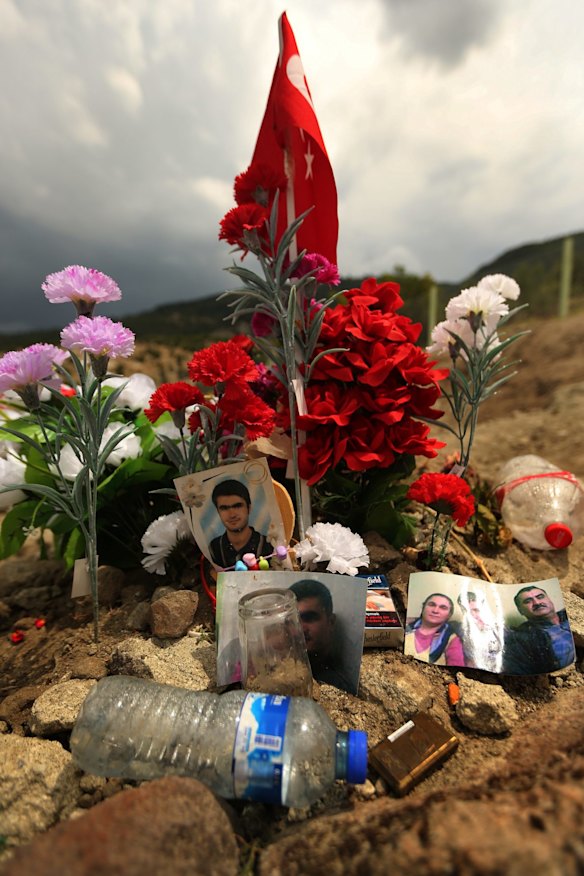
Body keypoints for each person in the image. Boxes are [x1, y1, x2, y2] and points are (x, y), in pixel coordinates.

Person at [288, 579, 353, 693]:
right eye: (293, 621)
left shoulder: (339, 689)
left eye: (309, 618)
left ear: (331, 622)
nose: (300, 629)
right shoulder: (278, 671)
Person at [503, 585, 575, 675]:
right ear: (520, 611)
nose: (537, 602)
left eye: (540, 597)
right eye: (528, 601)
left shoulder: (572, 614)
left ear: (550, 600)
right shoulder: (521, 639)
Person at [209, 479, 273, 568]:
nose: (232, 515)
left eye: (237, 506)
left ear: (249, 508)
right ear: (218, 511)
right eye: (224, 508)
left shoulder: (268, 546)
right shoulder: (213, 549)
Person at [404, 592, 465, 666]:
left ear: (449, 614)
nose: (435, 611)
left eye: (443, 608)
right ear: (423, 607)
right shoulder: (405, 627)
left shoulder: (452, 639)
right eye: (431, 605)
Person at [457, 590, 504, 673]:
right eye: (467, 611)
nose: (473, 615)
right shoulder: (460, 631)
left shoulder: (497, 627)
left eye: (476, 610)